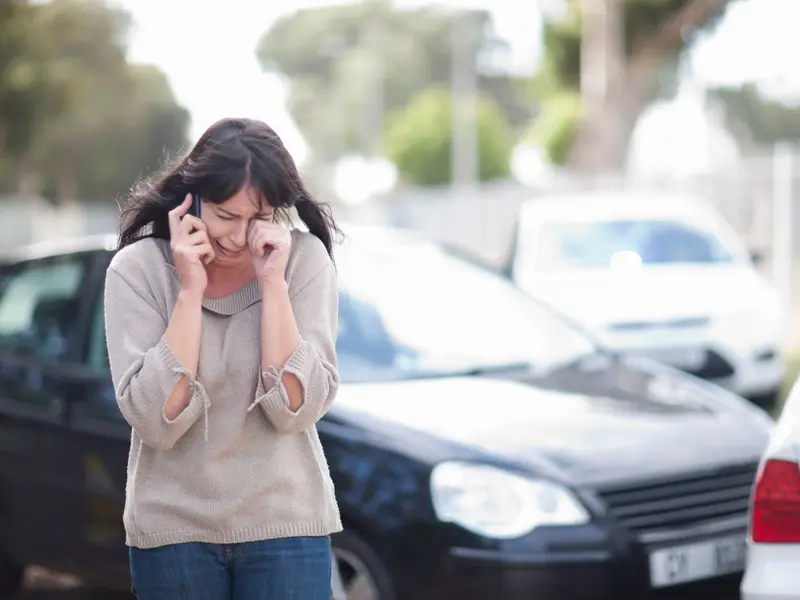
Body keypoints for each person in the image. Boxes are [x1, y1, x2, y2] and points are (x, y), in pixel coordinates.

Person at [104, 117, 342, 600]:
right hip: (173, 533)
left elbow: (295, 408)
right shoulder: (138, 271)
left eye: (258, 217)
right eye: (225, 215)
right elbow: (157, 419)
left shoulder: (302, 261)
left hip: (285, 528)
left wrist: (272, 284)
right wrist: (189, 292)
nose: (238, 237)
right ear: (190, 202)